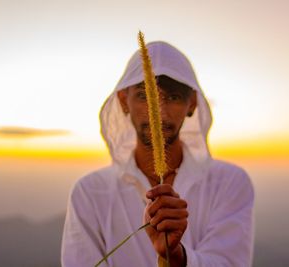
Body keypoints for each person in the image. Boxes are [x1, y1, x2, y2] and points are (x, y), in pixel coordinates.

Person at [61, 41, 254, 267]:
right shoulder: (90, 192)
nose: (159, 113)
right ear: (124, 101)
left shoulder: (228, 183)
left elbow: (229, 262)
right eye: (144, 95)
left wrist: (177, 257)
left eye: (173, 97)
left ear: (191, 104)